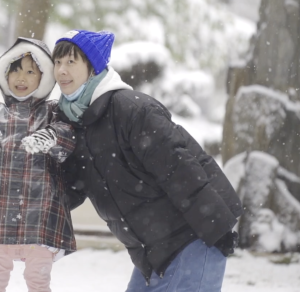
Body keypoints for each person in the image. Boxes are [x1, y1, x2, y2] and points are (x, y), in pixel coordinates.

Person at [52, 30, 242, 292]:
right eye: (57, 62)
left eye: (71, 62)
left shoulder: (130, 109)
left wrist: (215, 229)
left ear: (93, 68)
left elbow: (179, 167)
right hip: (151, 250)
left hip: (193, 235)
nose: (61, 70)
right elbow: (69, 188)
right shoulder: (72, 123)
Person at [0, 37, 77, 292]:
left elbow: (68, 136)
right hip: (0, 207)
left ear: (43, 78)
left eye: (29, 71)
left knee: (38, 279)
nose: (21, 78)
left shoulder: (52, 111)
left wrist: (52, 136)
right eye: (15, 70)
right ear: (5, 74)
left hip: (41, 208)